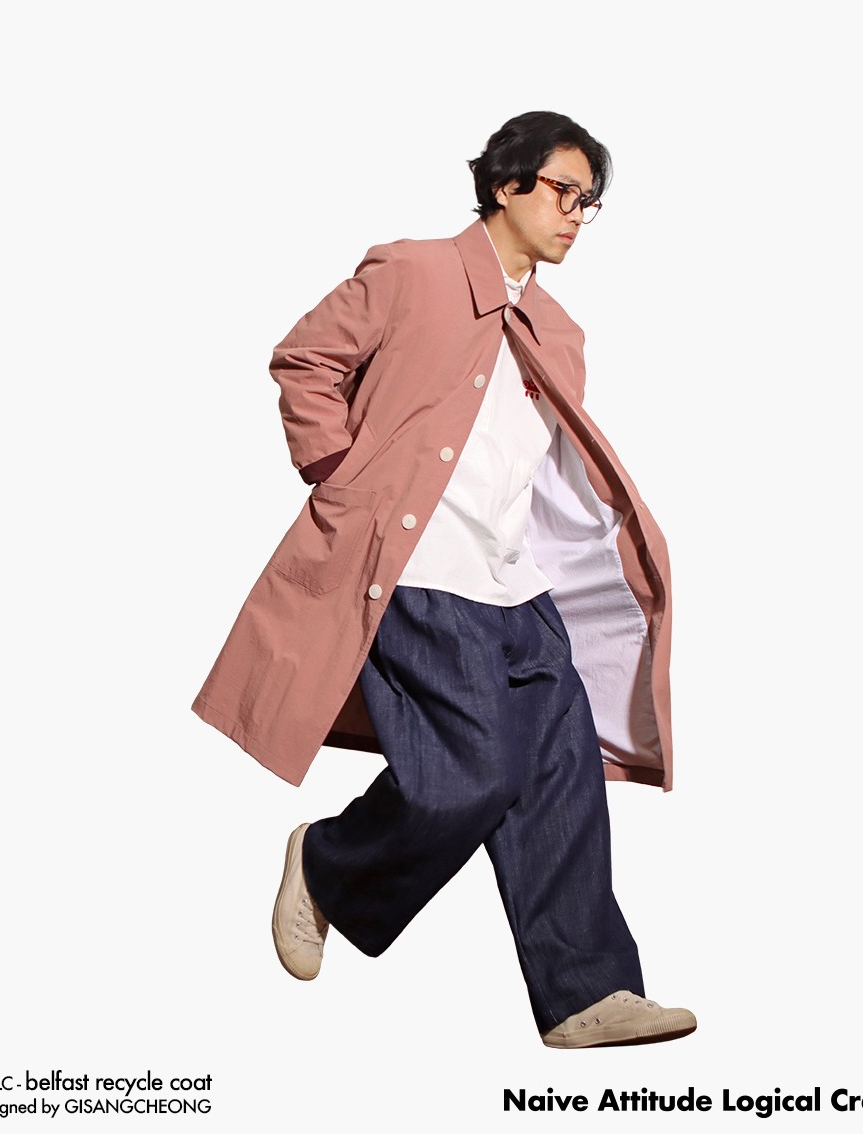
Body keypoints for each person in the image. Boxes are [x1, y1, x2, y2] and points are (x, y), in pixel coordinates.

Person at [193, 111, 695, 1048]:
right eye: (564, 191)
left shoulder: (557, 330)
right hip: (420, 574)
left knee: (559, 780)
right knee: (469, 777)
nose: (577, 213)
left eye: (590, 202)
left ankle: (587, 993)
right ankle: (328, 863)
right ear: (507, 184)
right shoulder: (413, 273)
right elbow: (305, 358)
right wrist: (339, 475)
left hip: (518, 589)